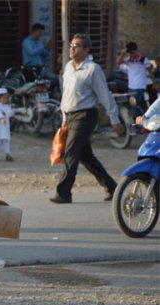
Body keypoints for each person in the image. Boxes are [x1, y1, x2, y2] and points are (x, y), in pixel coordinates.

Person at [50, 34, 124, 204]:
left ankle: (63, 193)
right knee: (85, 156)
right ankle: (113, 188)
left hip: (85, 115)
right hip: (70, 115)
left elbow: (104, 95)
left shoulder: (93, 69)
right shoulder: (68, 67)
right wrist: (64, 117)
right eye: (71, 45)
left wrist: (114, 119)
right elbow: (66, 94)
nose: (72, 48)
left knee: (71, 152)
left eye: (76, 46)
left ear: (86, 50)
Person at [116, 42, 156, 118]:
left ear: (136, 50)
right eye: (129, 53)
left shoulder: (143, 59)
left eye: (132, 52)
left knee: (136, 107)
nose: (131, 54)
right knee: (136, 107)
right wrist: (123, 53)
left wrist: (154, 83)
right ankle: (140, 122)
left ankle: (139, 124)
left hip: (139, 87)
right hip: (131, 88)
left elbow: (150, 71)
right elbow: (118, 62)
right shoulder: (128, 60)